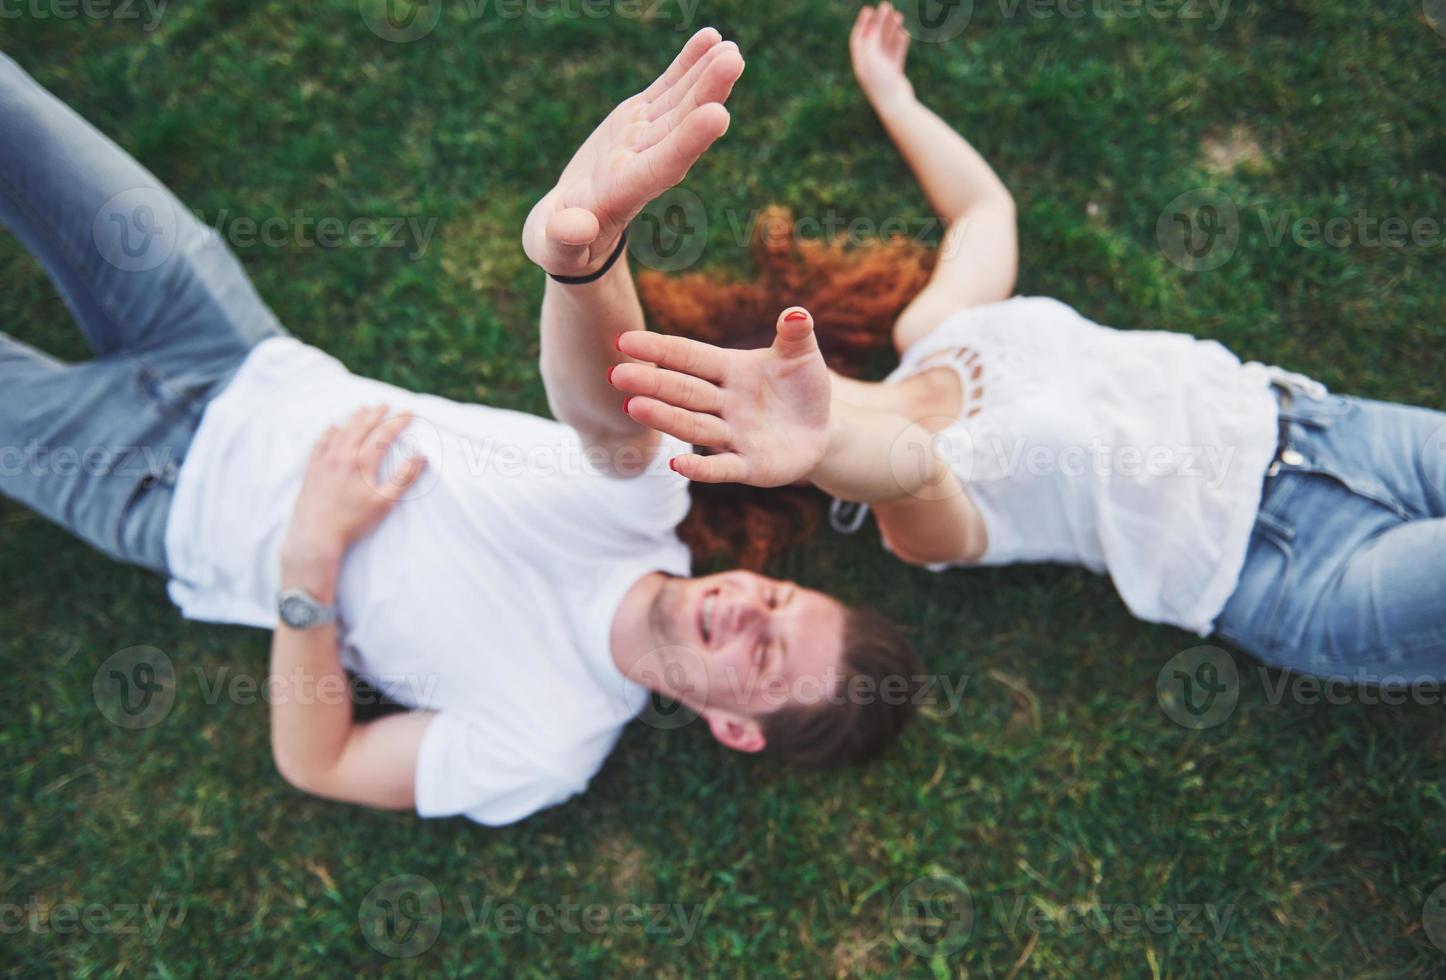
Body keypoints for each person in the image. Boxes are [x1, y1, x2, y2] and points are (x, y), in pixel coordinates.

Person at [0, 29, 916, 828]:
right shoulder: (645, 511)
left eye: (763, 656)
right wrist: (581, 260)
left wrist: (308, 563)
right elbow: (605, 407)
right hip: (238, 348)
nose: (749, 612)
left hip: (153, 491)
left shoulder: (549, 746)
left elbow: (320, 764)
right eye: (780, 604)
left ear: (732, 728)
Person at [611, 4, 1446, 682]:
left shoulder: (934, 331)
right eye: (726, 421)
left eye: (733, 376)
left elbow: (984, 214)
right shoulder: (910, 523)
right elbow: (910, 462)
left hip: (1325, 429)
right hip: (1285, 574)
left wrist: (893, 97)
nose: (756, 391)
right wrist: (824, 441)